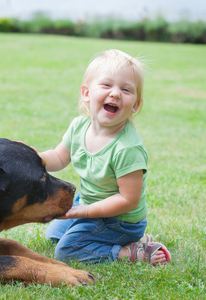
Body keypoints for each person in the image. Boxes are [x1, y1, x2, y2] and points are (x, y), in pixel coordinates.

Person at [38, 49, 171, 266]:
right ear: (87, 93)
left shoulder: (127, 148)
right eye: (107, 85)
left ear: (135, 105)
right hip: (90, 201)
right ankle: (127, 241)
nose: (116, 93)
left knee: (67, 251)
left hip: (119, 220)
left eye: (126, 89)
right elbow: (59, 157)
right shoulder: (79, 126)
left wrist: (85, 212)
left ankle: (132, 251)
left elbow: (129, 200)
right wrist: (36, 158)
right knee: (54, 234)